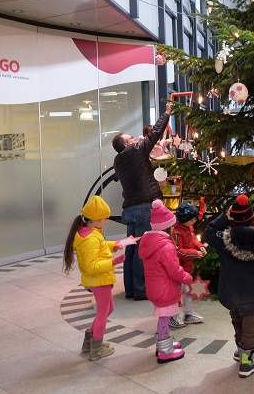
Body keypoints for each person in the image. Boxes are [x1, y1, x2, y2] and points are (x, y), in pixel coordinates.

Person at [205, 195, 254, 378]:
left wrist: (224, 217)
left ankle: (241, 350)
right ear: (253, 217)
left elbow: (209, 231)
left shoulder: (224, 239)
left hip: (230, 292)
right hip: (252, 294)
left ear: (234, 217)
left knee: (237, 320)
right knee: (249, 326)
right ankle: (246, 362)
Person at [112, 100, 175, 300]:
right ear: (127, 144)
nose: (136, 139)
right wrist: (166, 113)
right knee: (142, 249)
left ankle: (130, 289)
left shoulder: (119, 160)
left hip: (129, 211)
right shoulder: (135, 151)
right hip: (143, 209)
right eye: (131, 138)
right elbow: (155, 133)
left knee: (131, 249)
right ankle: (141, 290)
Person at [62, 195, 124, 361]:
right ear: (96, 220)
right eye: (105, 218)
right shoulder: (90, 239)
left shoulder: (91, 233)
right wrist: (114, 261)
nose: (106, 221)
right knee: (103, 313)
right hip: (99, 280)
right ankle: (96, 349)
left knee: (109, 309)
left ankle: (89, 341)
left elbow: (100, 246)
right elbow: (91, 266)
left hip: (101, 279)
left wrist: (114, 245)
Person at [139, 200, 191, 363]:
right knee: (165, 318)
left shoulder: (151, 242)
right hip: (165, 289)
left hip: (155, 288)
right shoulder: (166, 247)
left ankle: (164, 342)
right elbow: (174, 270)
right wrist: (187, 277)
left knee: (164, 317)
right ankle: (164, 350)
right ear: (167, 227)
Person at [169, 200, 206, 328]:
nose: (194, 222)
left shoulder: (188, 227)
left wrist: (199, 246)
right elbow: (177, 251)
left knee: (187, 291)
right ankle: (172, 317)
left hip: (187, 267)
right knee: (176, 293)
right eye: (192, 220)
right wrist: (194, 253)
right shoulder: (176, 232)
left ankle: (188, 313)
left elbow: (193, 239)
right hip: (179, 268)